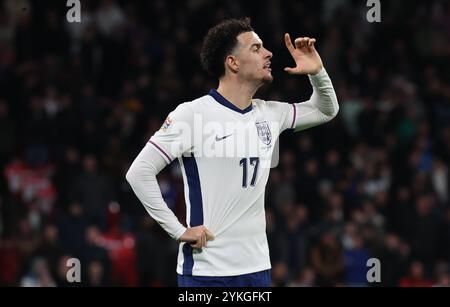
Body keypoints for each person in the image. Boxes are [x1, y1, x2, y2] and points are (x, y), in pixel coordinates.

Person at [126, 17, 339, 287]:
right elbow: (139, 172)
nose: (268, 53)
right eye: (256, 48)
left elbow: (325, 110)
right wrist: (178, 230)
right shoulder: (193, 114)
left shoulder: (270, 113)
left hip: (257, 267)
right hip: (207, 271)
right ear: (233, 62)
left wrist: (317, 72)